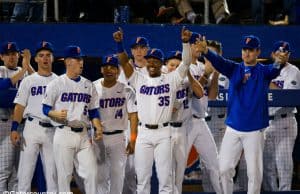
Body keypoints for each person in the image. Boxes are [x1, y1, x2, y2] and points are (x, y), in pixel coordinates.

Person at [197, 34, 284, 194]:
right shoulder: (234, 68)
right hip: (233, 128)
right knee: (224, 169)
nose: (246, 53)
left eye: (250, 50)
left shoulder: (263, 72)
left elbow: (274, 70)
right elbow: (219, 62)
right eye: (244, 49)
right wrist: (207, 52)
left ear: (258, 52)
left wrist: (279, 61)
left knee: (254, 174)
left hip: (255, 130)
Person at [113, 26, 192, 194]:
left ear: (161, 63)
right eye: (150, 60)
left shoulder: (171, 79)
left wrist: (185, 43)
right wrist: (119, 44)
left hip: (164, 133)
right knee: (142, 180)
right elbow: (125, 62)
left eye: (156, 60)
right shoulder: (138, 79)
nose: (152, 63)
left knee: (165, 181)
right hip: (143, 133)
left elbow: (185, 63)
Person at [42, 45, 103, 194]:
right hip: (64, 133)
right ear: (68, 62)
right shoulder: (56, 83)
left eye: (81, 58)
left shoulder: (88, 85)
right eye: (77, 59)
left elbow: (94, 111)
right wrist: (53, 114)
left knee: (92, 173)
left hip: (83, 135)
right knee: (64, 177)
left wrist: (98, 126)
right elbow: (45, 108)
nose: (81, 62)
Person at [10, 41, 58, 192]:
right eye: (41, 55)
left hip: (52, 131)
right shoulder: (28, 80)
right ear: (36, 59)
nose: (45, 58)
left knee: (53, 175)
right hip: (32, 127)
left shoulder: (60, 81)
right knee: (25, 174)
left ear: (53, 58)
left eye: (48, 55)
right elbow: (20, 106)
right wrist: (14, 129)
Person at [93, 55, 138, 194]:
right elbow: (89, 113)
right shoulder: (92, 87)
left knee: (118, 177)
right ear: (101, 69)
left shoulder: (127, 90)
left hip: (119, 137)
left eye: (112, 67)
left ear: (118, 70)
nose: (109, 70)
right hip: (98, 137)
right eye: (106, 67)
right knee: (100, 178)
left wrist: (133, 139)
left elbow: (133, 116)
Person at [186, 32, 222, 194]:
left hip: (200, 121)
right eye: (195, 44)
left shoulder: (203, 66)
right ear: (189, 46)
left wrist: (214, 73)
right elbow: (192, 93)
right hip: (184, 123)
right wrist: (206, 74)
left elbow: (212, 96)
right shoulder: (182, 67)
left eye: (201, 44)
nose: (199, 47)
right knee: (178, 168)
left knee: (215, 166)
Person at [164, 50, 204, 194]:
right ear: (166, 66)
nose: (174, 68)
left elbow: (200, 93)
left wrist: (188, 73)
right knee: (167, 173)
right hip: (166, 131)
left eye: (177, 65)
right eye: (171, 65)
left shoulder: (187, 82)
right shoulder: (162, 83)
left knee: (180, 172)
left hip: (182, 130)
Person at [263, 41, 300, 191]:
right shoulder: (265, 70)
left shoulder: (294, 71)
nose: (282, 55)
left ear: (289, 55)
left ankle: (285, 192)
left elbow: (286, 97)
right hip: (266, 122)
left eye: (285, 52)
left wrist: (267, 82)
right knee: (267, 165)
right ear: (272, 54)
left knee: (283, 162)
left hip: (285, 121)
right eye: (279, 52)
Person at [0, 41, 34, 193]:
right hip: (4, 123)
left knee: (19, 170)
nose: (11, 57)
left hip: (22, 125)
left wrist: (28, 65)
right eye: (7, 55)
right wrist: (24, 70)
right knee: (4, 169)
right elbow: (3, 88)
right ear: (2, 57)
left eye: (14, 54)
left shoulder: (25, 71)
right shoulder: (1, 70)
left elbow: (42, 84)